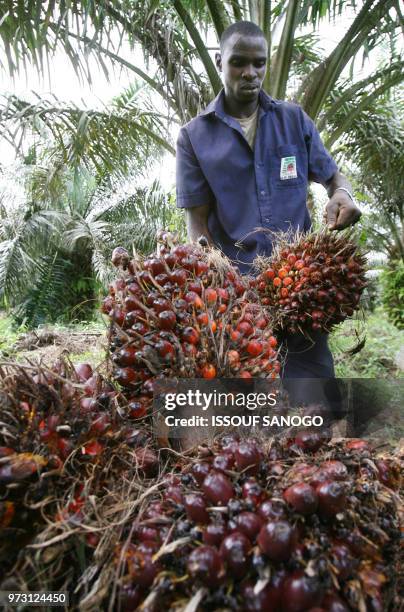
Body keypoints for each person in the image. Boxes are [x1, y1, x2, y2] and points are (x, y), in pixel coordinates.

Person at [175, 20, 361, 386]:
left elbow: (334, 178)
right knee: (249, 418)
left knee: (317, 413)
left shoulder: (294, 121)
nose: (250, 72)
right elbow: (196, 223)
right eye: (238, 62)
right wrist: (211, 273)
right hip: (239, 301)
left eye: (259, 63)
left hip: (301, 294)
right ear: (219, 61)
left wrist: (343, 195)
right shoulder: (194, 138)